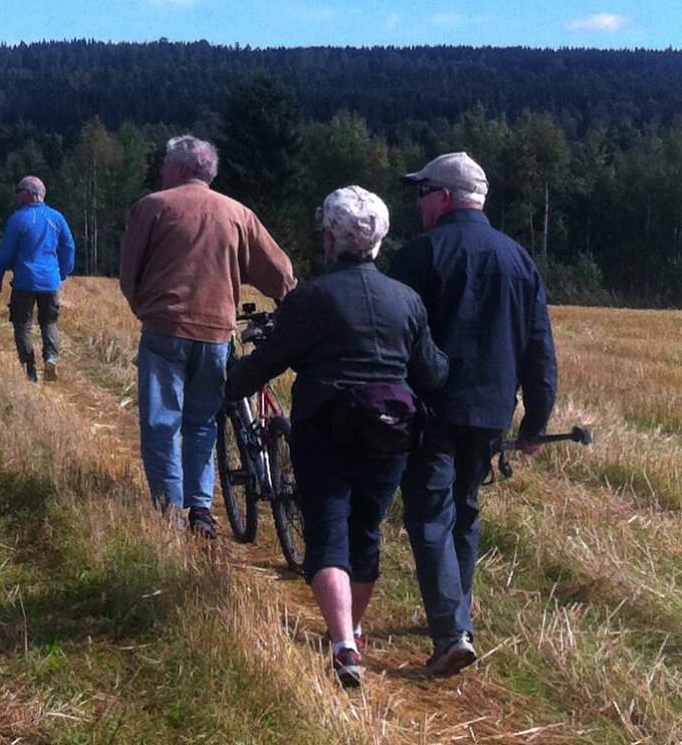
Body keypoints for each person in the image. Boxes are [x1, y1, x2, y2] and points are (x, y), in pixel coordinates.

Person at [227, 187, 448, 689]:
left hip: (324, 428)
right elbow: (432, 372)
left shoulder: (313, 297)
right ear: (379, 241)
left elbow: (271, 358)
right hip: (390, 433)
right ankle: (352, 631)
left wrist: (232, 382)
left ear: (330, 240)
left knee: (328, 529)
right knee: (366, 531)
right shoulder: (406, 300)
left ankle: (344, 642)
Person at [389, 151, 558, 678]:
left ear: (443, 197)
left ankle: (450, 632)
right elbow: (539, 348)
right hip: (491, 413)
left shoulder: (419, 255)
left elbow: (396, 341)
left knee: (431, 513)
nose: (418, 205)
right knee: (464, 508)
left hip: (433, 408)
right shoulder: (519, 259)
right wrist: (534, 422)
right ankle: (455, 614)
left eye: (423, 194)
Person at [119, 134, 295, 538]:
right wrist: (288, 301)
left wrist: (143, 307)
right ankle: (201, 510)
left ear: (179, 169)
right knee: (202, 424)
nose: (163, 171)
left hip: (165, 330)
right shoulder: (237, 212)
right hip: (216, 332)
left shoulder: (153, 207)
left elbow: (129, 274)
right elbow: (280, 271)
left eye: (165, 165)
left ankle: (170, 513)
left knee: (162, 424)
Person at [0, 175, 76, 383]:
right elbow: (69, 246)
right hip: (50, 281)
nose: (16, 195)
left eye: (19, 191)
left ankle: (29, 368)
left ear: (30, 195)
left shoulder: (18, 219)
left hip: (25, 281)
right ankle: (51, 357)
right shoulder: (56, 217)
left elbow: (5, 253)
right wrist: (63, 272)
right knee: (49, 322)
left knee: (22, 324)